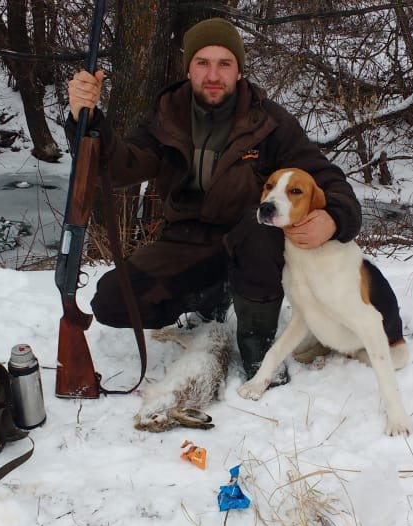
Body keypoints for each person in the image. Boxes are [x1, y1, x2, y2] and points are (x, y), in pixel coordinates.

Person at [66, 17, 361, 381]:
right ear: (188, 68)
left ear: (239, 71)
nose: (213, 74)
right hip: (184, 241)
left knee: (261, 227)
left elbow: (326, 178)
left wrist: (334, 217)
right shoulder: (167, 115)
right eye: (202, 62)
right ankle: (207, 295)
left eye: (225, 64)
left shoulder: (269, 122)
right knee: (110, 303)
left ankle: (259, 346)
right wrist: (88, 119)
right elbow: (121, 166)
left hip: (247, 240)